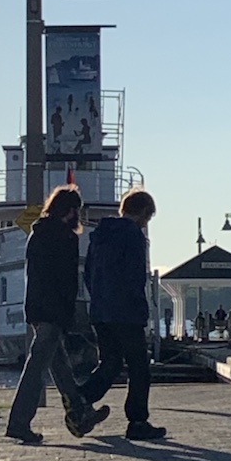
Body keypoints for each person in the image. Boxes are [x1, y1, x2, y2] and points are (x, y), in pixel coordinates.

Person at [5, 185, 110, 444]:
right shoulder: (65, 237)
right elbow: (66, 282)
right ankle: (18, 422)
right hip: (54, 310)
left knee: (58, 364)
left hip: (38, 309)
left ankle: (80, 412)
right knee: (37, 367)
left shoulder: (38, 233)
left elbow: (36, 277)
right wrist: (70, 314)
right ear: (70, 210)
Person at [79, 188, 166, 441]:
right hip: (126, 312)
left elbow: (88, 274)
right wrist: (141, 309)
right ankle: (137, 421)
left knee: (111, 362)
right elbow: (135, 277)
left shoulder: (99, 236)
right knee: (140, 367)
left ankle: (81, 398)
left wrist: (98, 299)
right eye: (147, 218)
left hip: (100, 311)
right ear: (143, 213)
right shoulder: (133, 235)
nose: (146, 223)